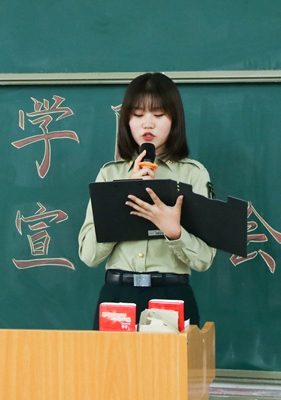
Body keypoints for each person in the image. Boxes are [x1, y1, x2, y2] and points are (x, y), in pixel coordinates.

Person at [78, 72, 216, 330]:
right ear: (127, 121)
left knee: (171, 361)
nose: (148, 124)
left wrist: (174, 232)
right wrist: (123, 195)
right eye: (138, 115)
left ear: (174, 119)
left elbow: (204, 259)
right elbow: (88, 255)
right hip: (117, 296)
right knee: (111, 360)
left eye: (159, 114)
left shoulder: (192, 175)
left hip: (171, 296)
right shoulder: (110, 174)